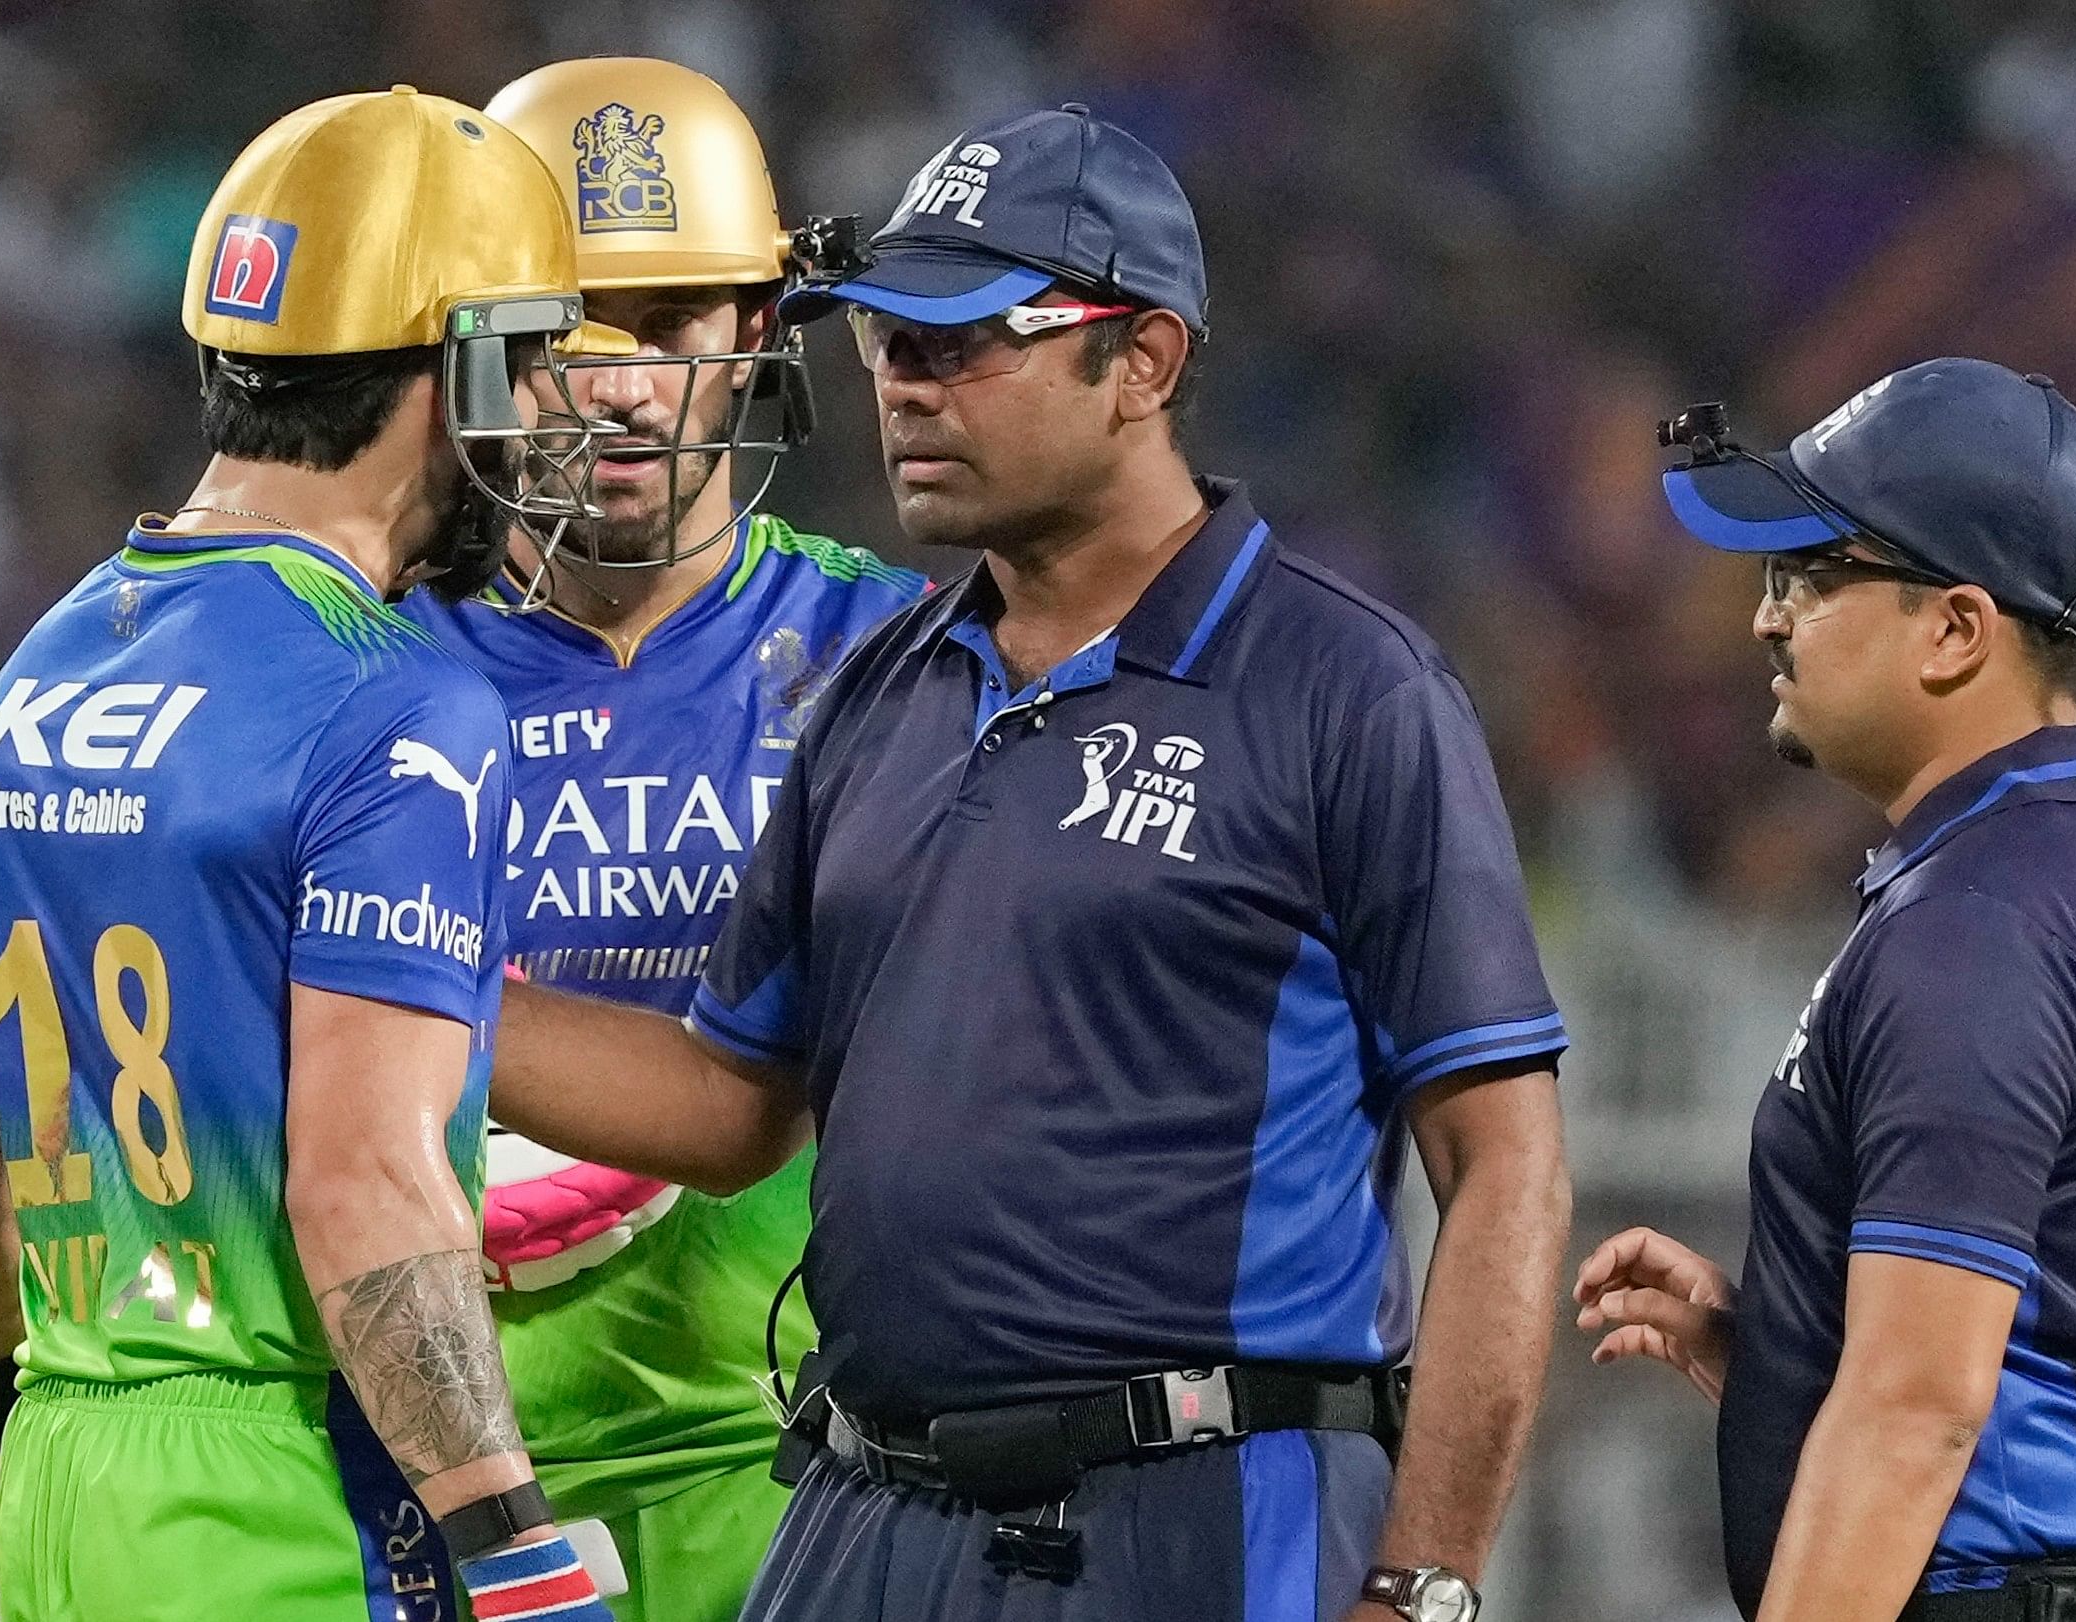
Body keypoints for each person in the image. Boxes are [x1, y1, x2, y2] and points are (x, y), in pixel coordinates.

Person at [484, 104, 1569, 1622]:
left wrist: (1430, 1578)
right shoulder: (874, 693)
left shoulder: (1346, 689)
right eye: (885, 348)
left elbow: (1502, 1164)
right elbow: (729, 1105)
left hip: (1195, 1509)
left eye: (960, 343)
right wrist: (390, 985)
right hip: (865, 1507)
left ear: (1144, 361)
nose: (907, 391)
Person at [0, 86, 623, 1622]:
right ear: (461, 368)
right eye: (540, 359)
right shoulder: (395, 699)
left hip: (63, 1481)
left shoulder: (27, 681)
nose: (560, 412)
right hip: (294, 1502)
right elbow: (364, 1183)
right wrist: (519, 1555)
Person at [1576, 360, 2076, 1622]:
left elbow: (1917, 1414)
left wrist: (1885, 1387)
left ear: (1957, 629)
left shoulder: (1972, 922)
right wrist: (1792, 1357)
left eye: (1810, 572)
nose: (1767, 616)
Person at [398, 57, 926, 1622]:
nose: (622, 382)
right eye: (571, 329)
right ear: (482, 339)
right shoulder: (359, 671)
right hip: (446, 1480)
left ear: (758, 334)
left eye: (678, 323)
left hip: (807, 1477)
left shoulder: (890, 657)